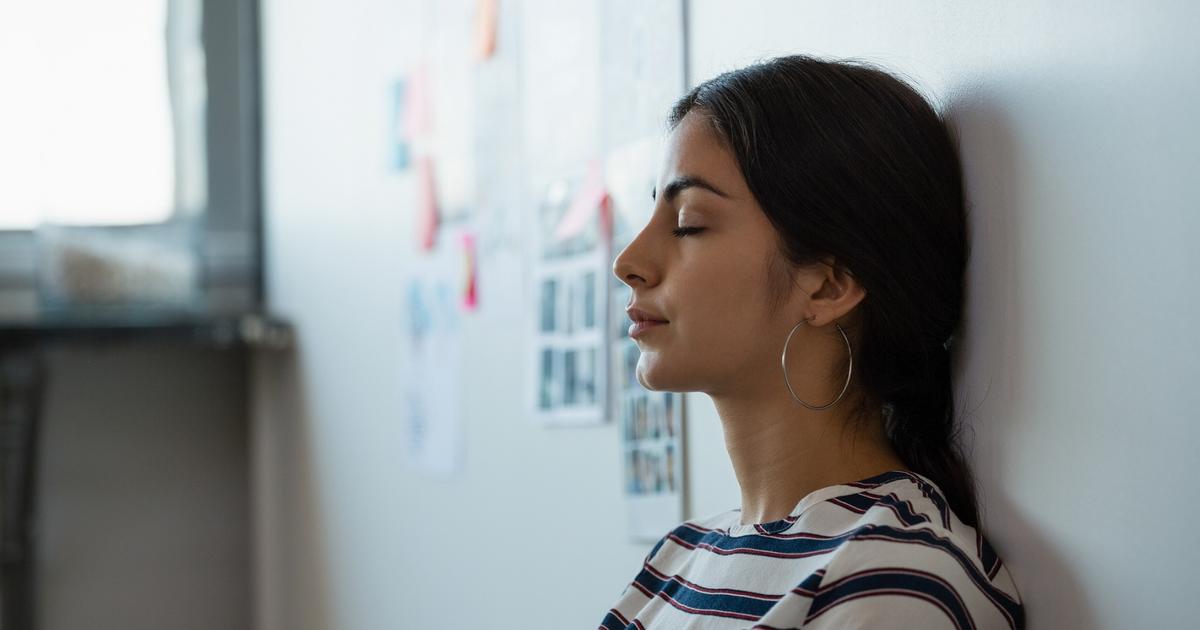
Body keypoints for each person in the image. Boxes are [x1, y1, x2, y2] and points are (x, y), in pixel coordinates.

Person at [602, 54, 1025, 629]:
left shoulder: (892, 584)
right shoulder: (678, 563)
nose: (628, 262)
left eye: (689, 222)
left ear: (829, 285)